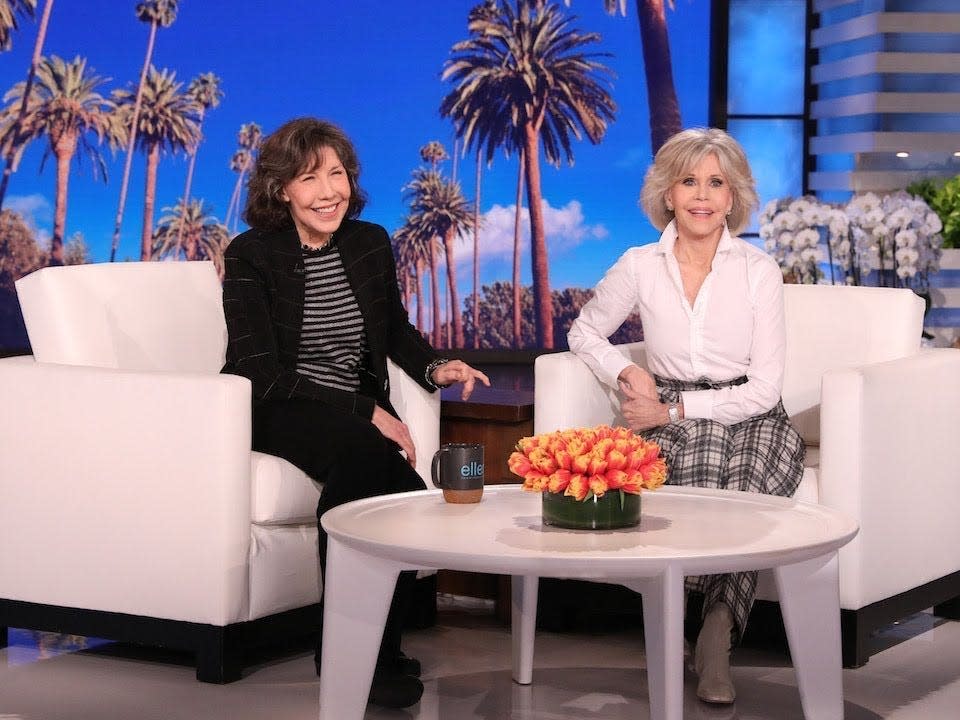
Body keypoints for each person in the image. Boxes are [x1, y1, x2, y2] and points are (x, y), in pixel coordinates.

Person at [221, 117, 489, 709]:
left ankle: (355, 651)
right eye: (308, 178)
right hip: (276, 404)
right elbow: (258, 368)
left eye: (336, 174)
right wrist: (365, 410)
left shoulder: (368, 242)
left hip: (348, 408)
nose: (327, 191)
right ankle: (370, 656)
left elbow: (393, 329)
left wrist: (435, 367)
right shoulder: (251, 254)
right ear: (281, 189)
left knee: (387, 481)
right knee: (374, 460)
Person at [567, 127, 804, 705]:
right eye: (689, 181)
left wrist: (673, 406)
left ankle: (717, 632)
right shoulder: (640, 264)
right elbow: (584, 331)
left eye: (716, 183)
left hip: (749, 410)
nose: (703, 196)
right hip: (664, 410)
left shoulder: (757, 269)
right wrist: (626, 372)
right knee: (688, 464)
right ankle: (677, 626)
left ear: (733, 196)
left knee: (745, 480)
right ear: (668, 194)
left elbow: (765, 385)